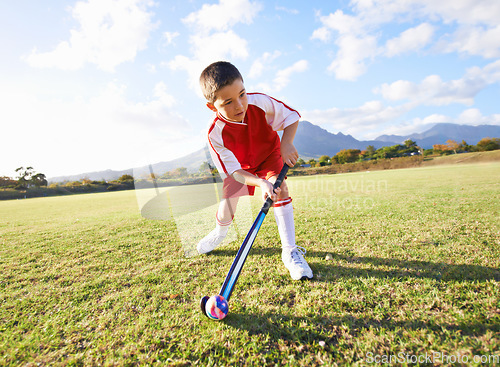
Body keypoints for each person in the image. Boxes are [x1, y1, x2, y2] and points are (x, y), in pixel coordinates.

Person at [196, 61, 313, 281]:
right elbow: (234, 172)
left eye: (242, 94)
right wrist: (259, 183)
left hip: (269, 157)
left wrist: (286, 143)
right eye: (228, 102)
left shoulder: (259, 102)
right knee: (226, 210)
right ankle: (220, 234)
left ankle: (289, 252)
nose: (239, 105)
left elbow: (291, 117)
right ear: (213, 107)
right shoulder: (215, 135)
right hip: (240, 170)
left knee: (281, 190)